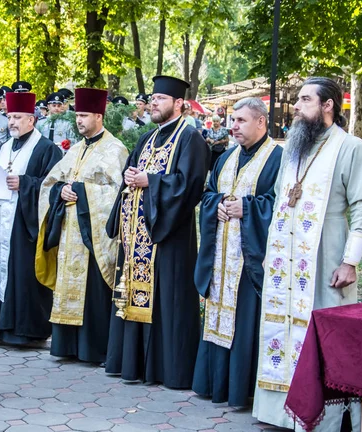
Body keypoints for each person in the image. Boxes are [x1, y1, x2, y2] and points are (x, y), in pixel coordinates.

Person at [252, 77, 362, 430]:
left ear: (327, 105)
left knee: (323, 328)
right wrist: (270, 249)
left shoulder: (351, 148)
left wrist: (350, 261)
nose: (295, 106)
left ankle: (324, 417)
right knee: (282, 327)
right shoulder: (293, 146)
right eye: (297, 99)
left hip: (327, 251)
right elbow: (280, 200)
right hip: (286, 252)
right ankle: (280, 411)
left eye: (305, 99)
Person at [105, 75, 210, 389]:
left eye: (161, 99)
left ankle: (169, 371)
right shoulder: (148, 138)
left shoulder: (189, 138)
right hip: (138, 235)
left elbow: (189, 186)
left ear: (179, 104)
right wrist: (129, 175)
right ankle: (134, 365)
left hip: (169, 238)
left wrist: (151, 182)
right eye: (153, 98)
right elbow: (134, 172)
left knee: (169, 301)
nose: (153, 103)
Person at [192, 97, 283, 407]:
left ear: (261, 122)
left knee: (245, 320)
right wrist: (215, 206)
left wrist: (248, 208)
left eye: (241, 121)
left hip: (251, 259)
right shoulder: (225, 157)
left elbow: (281, 205)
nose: (233, 127)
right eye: (233, 121)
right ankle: (214, 384)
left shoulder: (278, 158)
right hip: (221, 255)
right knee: (217, 314)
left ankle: (240, 390)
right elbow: (206, 195)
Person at [36, 88, 128, 364]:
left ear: (99, 116)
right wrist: (61, 192)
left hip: (94, 236)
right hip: (68, 231)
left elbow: (119, 192)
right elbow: (49, 184)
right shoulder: (74, 150)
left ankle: (94, 349)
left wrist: (83, 192)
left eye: (85, 115)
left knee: (94, 290)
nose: (79, 120)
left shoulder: (116, 149)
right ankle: (66, 347)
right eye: (77, 114)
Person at [0, 91, 61, 345]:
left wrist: (25, 183)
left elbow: (54, 185)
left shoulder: (47, 148)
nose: (11, 122)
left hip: (24, 224)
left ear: (31, 120)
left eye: (17, 117)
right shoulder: (1, 149)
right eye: (10, 116)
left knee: (21, 275)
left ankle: (24, 332)